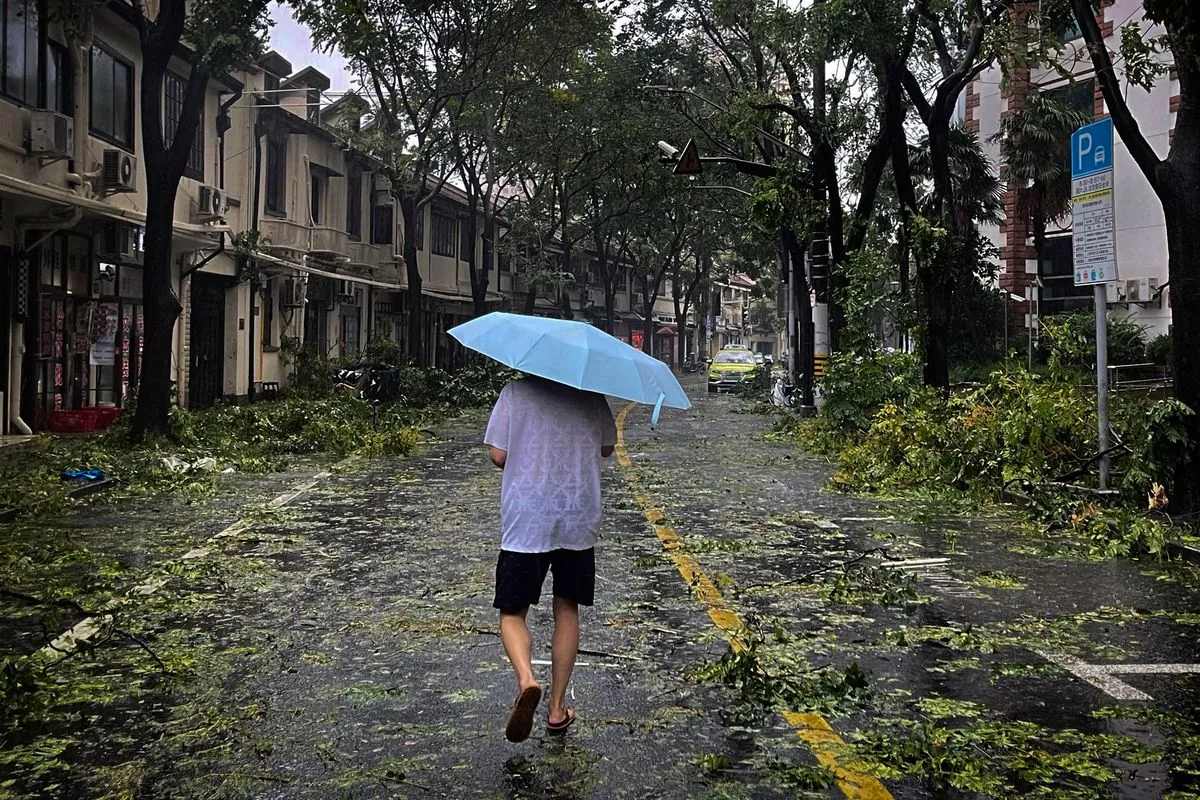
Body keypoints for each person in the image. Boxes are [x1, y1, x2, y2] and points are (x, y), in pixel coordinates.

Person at [484, 375, 617, 742]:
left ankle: (527, 679)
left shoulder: (514, 392)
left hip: (527, 518)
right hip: (577, 514)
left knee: (512, 612)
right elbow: (607, 447)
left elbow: (498, 454)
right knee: (567, 607)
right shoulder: (591, 394)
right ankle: (557, 709)